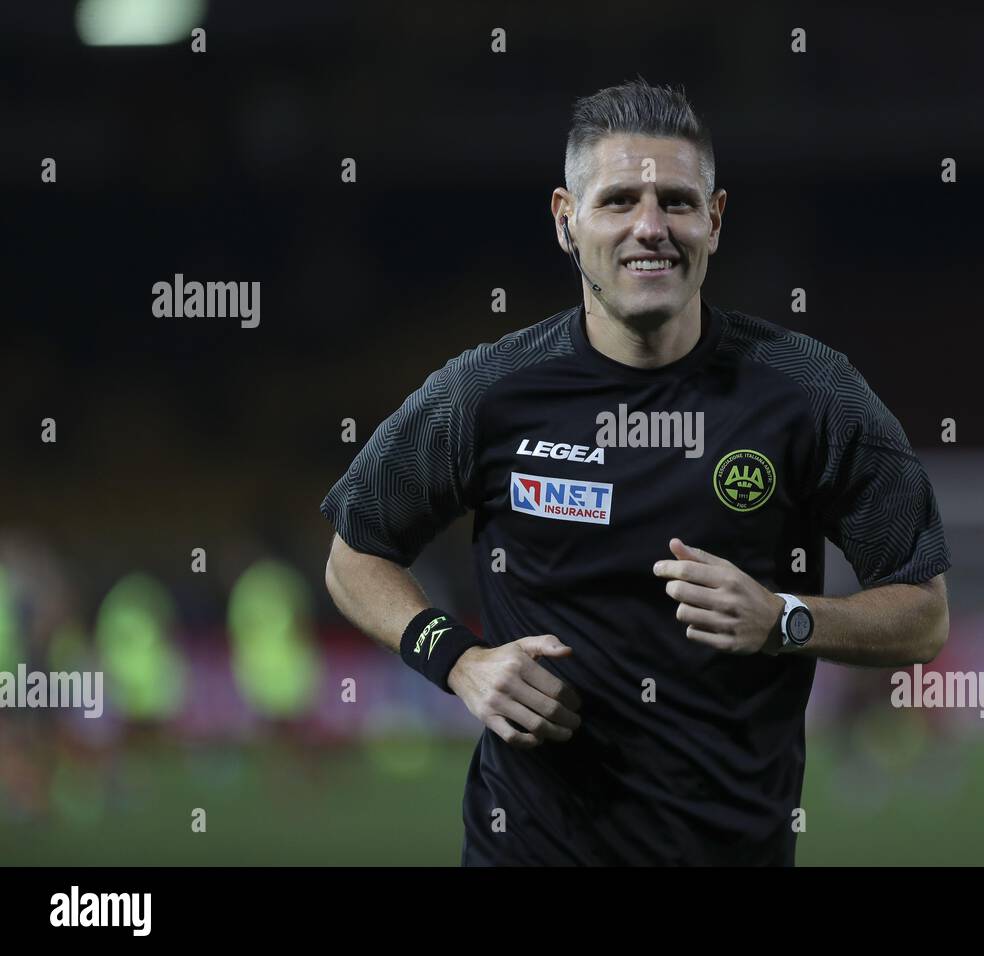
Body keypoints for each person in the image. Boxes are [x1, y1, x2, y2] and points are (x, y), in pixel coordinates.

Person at [321, 78, 951, 865]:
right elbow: (355, 554)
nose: (650, 228)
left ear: (714, 221)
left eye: (678, 203)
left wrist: (786, 618)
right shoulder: (485, 393)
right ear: (566, 221)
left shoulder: (814, 395)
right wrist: (458, 660)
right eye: (618, 200)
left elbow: (925, 613)